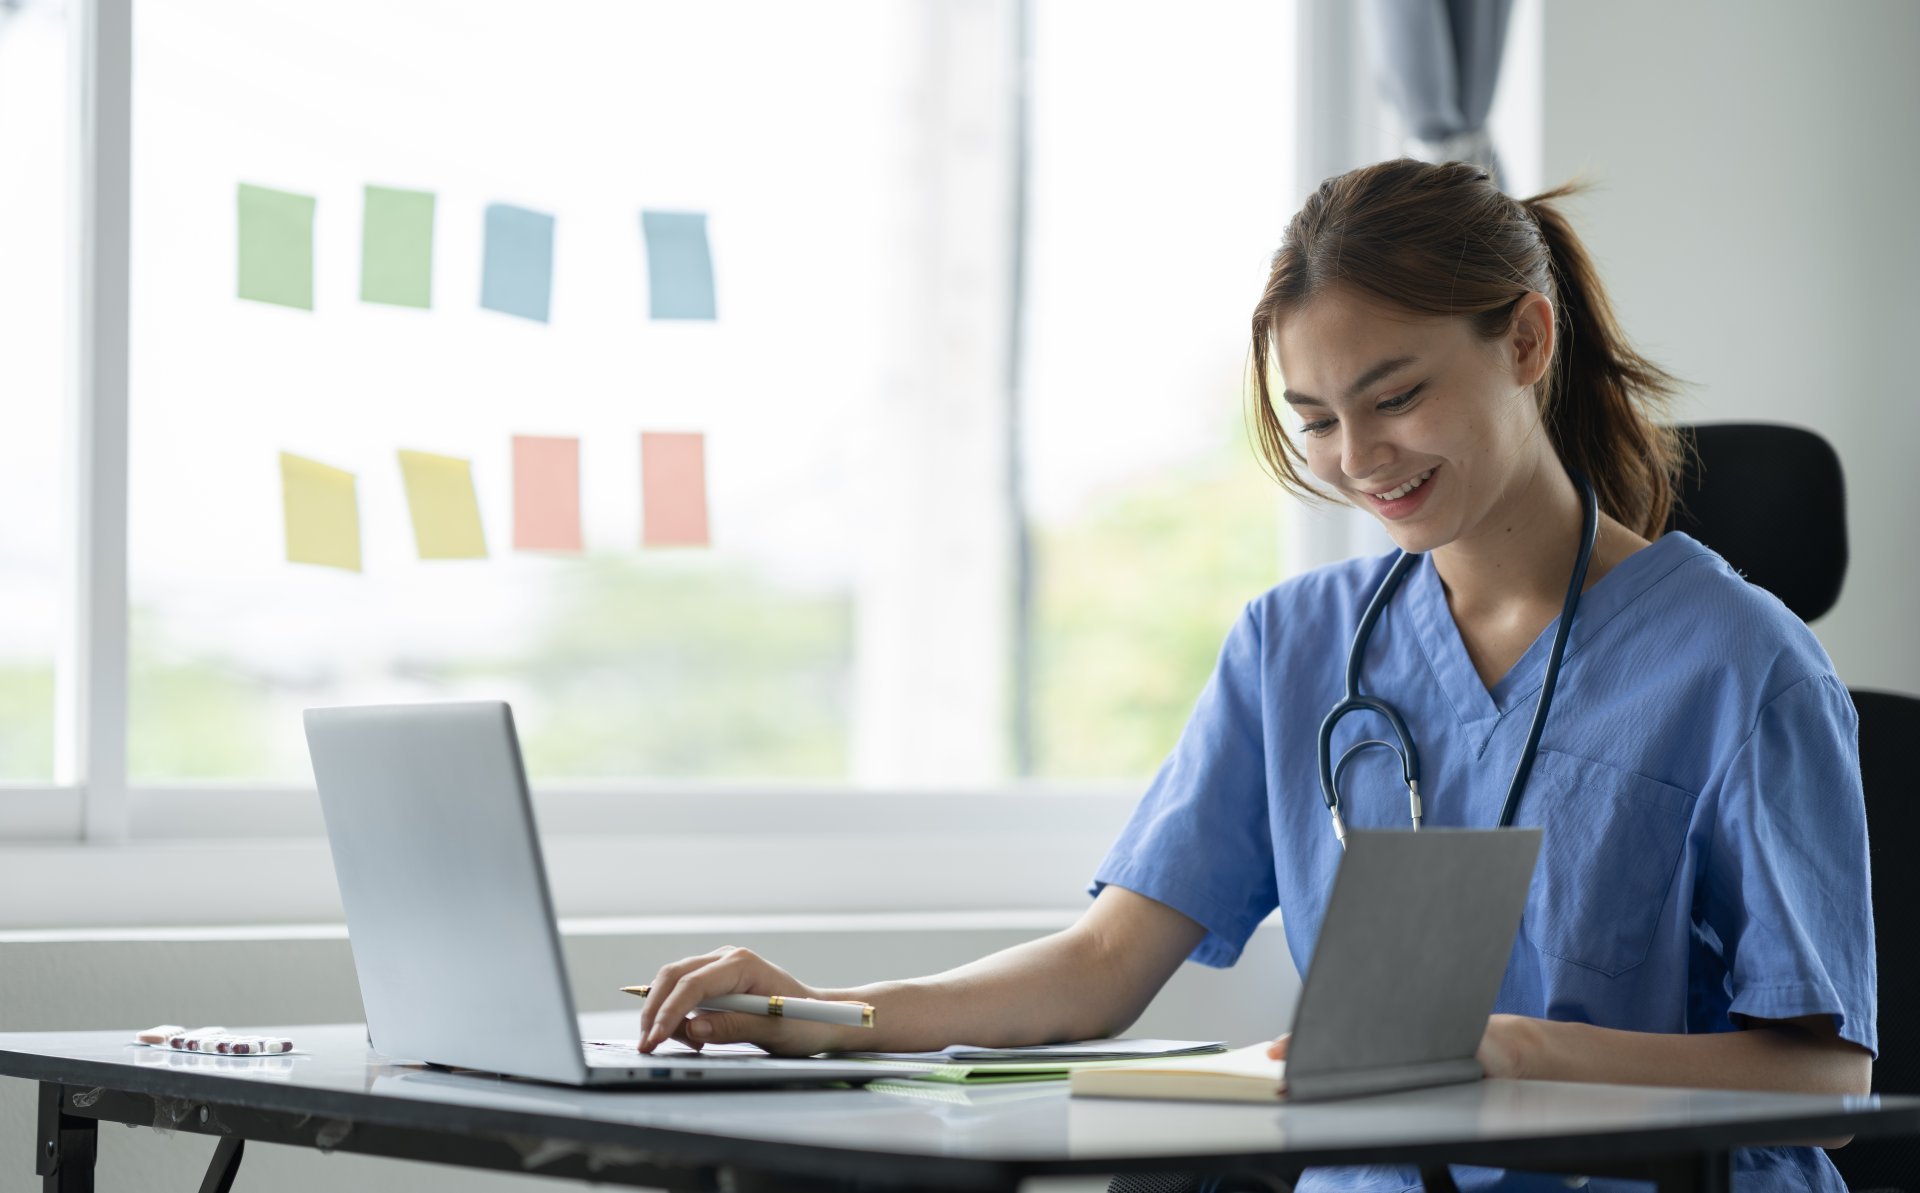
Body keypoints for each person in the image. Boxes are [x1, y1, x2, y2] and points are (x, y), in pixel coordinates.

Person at [635, 159, 1876, 1192]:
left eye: (1395, 396)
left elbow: (1826, 1083)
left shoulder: (1738, 663)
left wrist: (1509, 1049)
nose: (1358, 458)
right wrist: (821, 1012)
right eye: (1316, 418)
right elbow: (1102, 964)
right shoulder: (1295, 645)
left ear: (1527, 341)